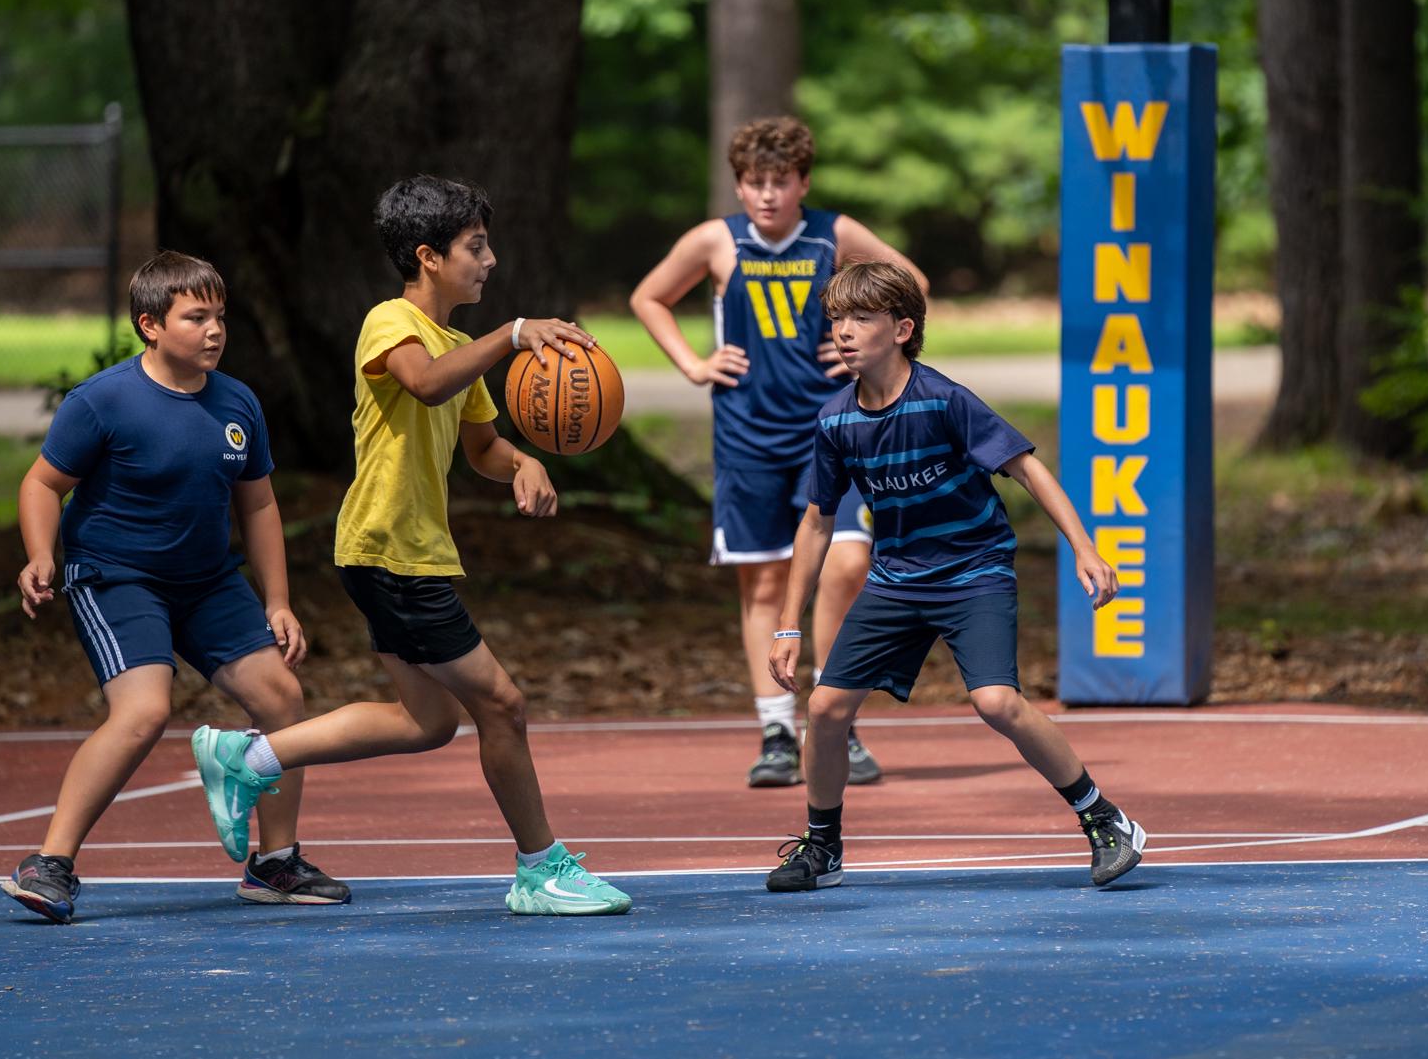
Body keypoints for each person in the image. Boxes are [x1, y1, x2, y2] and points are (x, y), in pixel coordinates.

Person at [189, 176, 630, 917]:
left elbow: (481, 447)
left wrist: (522, 461)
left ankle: (248, 755)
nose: (490, 260)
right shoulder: (389, 322)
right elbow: (424, 384)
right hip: (389, 549)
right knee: (502, 704)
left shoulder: (460, 346)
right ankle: (541, 869)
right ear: (428, 256)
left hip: (401, 553)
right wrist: (513, 333)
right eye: (476, 247)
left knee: (428, 722)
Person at [760, 261, 1144, 893]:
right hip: (896, 580)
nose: (844, 332)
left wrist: (1084, 548)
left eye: (862, 318)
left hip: (974, 571)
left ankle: (1104, 819)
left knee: (996, 702)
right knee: (825, 708)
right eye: (836, 320)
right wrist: (786, 626)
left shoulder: (944, 400)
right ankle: (822, 847)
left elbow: (1027, 469)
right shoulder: (835, 421)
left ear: (902, 329)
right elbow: (817, 522)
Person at [3, 251, 348, 923]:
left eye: (220, 315)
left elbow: (258, 504)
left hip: (207, 580)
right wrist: (39, 555)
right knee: (143, 712)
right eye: (196, 317)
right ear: (150, 325)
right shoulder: (102, 401)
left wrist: (278, 600)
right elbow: (42, 483)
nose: (214, 329)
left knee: (282, 696)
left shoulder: (238, 402)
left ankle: (275, 864)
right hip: (117, 577)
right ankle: (49, 863)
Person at [631, 117, 929, 788]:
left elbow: (913, 283)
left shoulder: (833, 234)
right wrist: (693, 363)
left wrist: (863, 347)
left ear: (803, 182)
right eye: (754, 182)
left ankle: (833, 711)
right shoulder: (716, 240)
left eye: (780, 181)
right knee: (764, 581)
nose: (767, 194)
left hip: (834, 427)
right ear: (739, 185)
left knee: (847, 562)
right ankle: (775, 729)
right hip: (748, 432)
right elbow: (648, 297)